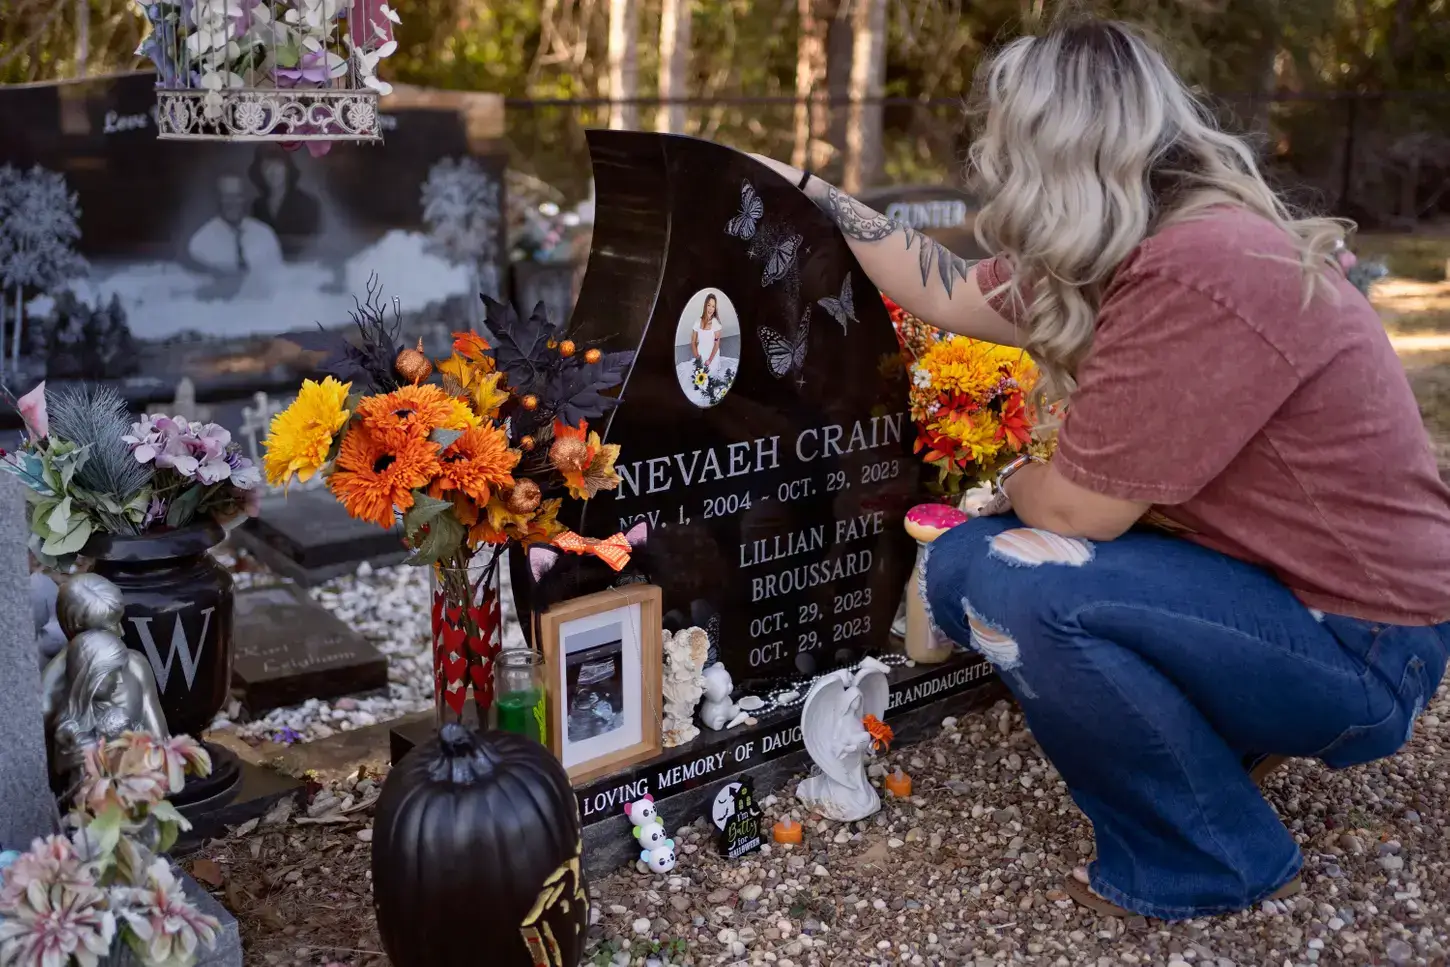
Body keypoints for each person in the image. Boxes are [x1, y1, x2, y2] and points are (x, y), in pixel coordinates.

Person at [753, 16, 1450, 920]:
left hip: (1363, 645)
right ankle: (1209, 751)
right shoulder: (1148, 241)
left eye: (1005, 140)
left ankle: (1208, 856)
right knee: (1006, 558)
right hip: (1312, 602)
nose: (992, 160)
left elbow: (1079, 516)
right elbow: (945, 287)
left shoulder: (1195, 267)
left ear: (1051, 147)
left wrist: (1008, 485)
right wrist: (807, 191)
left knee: (995, 572)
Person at [186, 173, 284, 291]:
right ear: (218, 199)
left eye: (237, 196)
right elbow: (197, 291)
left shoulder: (265, 235)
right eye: (227, 196)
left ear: (245, 198)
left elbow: (279, 281)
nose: (232, 202)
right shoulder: (200, 241)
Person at [248, 146, 322, 259]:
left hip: (300, 268)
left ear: (288, 168)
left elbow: (312, 246)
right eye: (267, 166)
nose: (272, 171)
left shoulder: (307, 203)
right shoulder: (258, 206)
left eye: (278, 165)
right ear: (259, 171)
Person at [692, 293, 723, 375]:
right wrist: (697, 358)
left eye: (713, 306)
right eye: (709, 305)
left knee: (709, 375)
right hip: (701, 353)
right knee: (698, 374)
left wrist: (709, 360)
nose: (710, 309)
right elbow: (693, 342)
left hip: (712, 355)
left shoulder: (716, 324)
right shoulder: (698, 322)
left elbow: (716, 345)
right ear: (705, 305)